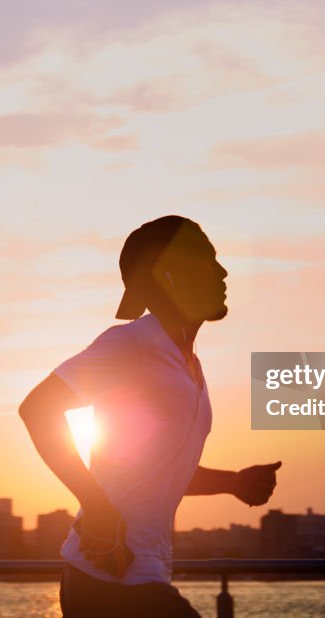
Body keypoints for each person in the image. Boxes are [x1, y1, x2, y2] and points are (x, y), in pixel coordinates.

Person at [19, 215, 282, 618]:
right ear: (171, 274)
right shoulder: (132, 344)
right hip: (107, 576)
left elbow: (157, 471)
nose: (224, 272)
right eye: (209, 260)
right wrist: (98, 507)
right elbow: (38, 409)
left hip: (140, 575)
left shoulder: (188, 366)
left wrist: (233, 482)